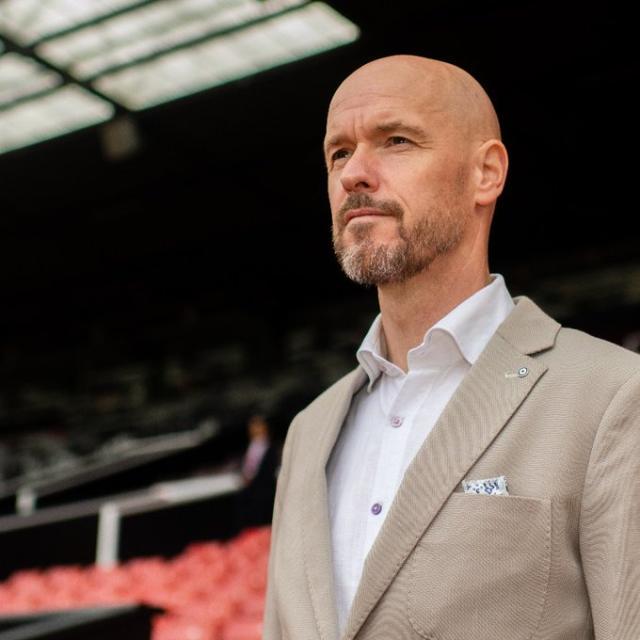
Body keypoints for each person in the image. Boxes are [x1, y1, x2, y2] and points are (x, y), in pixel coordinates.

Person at [263, 55, 640, 640]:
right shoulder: (308, 432)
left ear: (485, 173)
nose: (353, 173)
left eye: (396, 141)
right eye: (338, 153)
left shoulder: (613, 395)